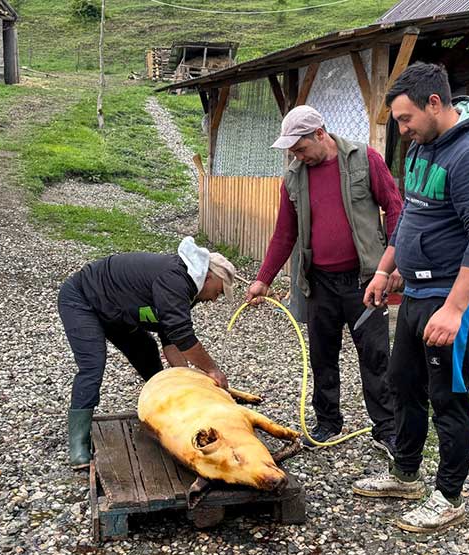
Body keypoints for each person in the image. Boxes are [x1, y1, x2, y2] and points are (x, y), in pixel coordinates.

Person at [352, 63, 469, 534]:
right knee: (402, 383)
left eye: (405, 119)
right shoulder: (420, 149)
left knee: (449, 396)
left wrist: (456, 309)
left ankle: (449, 496)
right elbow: (409, 219)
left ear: (435, 104)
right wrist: (386, 270)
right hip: (417, 290)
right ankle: (405, 474)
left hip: (452, 299)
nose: (401, 129)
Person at [245, 105, 404, 456]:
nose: (296, 155)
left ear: (320, 133)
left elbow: (395, 208)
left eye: (300, 148)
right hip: (319, 282)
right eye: (292, 151)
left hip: (366, 281)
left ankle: (387, 429)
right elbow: (284, 234)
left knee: (376, 356)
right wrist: (263, 279)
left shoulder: (365, 159)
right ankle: (328, 422)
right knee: (322, 355)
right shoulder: (294, 176)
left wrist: (395, 264)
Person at [58, 237, 237, 469]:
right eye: (219, 292)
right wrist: (212, 369)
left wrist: (185, 381)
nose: (215, 299)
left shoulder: (188, 290)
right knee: (93, 364)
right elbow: (184, 336)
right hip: (82, 300)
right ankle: (78, 444)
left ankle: (168, 408)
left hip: (117, 310)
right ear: (210, 277)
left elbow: (171, 337)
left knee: (146, 350)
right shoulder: (176, 280)